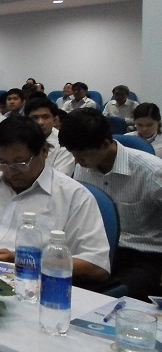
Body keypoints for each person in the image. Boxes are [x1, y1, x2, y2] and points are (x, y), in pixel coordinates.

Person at [0, 116, 110, 285]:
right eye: (2, 163)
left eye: (20, 163)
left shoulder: (74, 196)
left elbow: (97, 265)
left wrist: (27, 261)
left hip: (31, 284)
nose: (11, 171)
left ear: (44, 152)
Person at [60, 109, 162, 299]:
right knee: (57, 286)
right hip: (97, 251)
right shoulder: (84, 167)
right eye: (73, 153)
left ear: (106, 144)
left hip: (142, 256)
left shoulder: (152, 171)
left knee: (109, 300)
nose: (77, 160)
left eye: (82, 154)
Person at [23, 96, 75, 176]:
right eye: (35, 118)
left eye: (46, 117)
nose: (40, 122)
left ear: (54, 120)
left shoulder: (65, 144)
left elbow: (60, 179)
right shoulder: (19, 139)